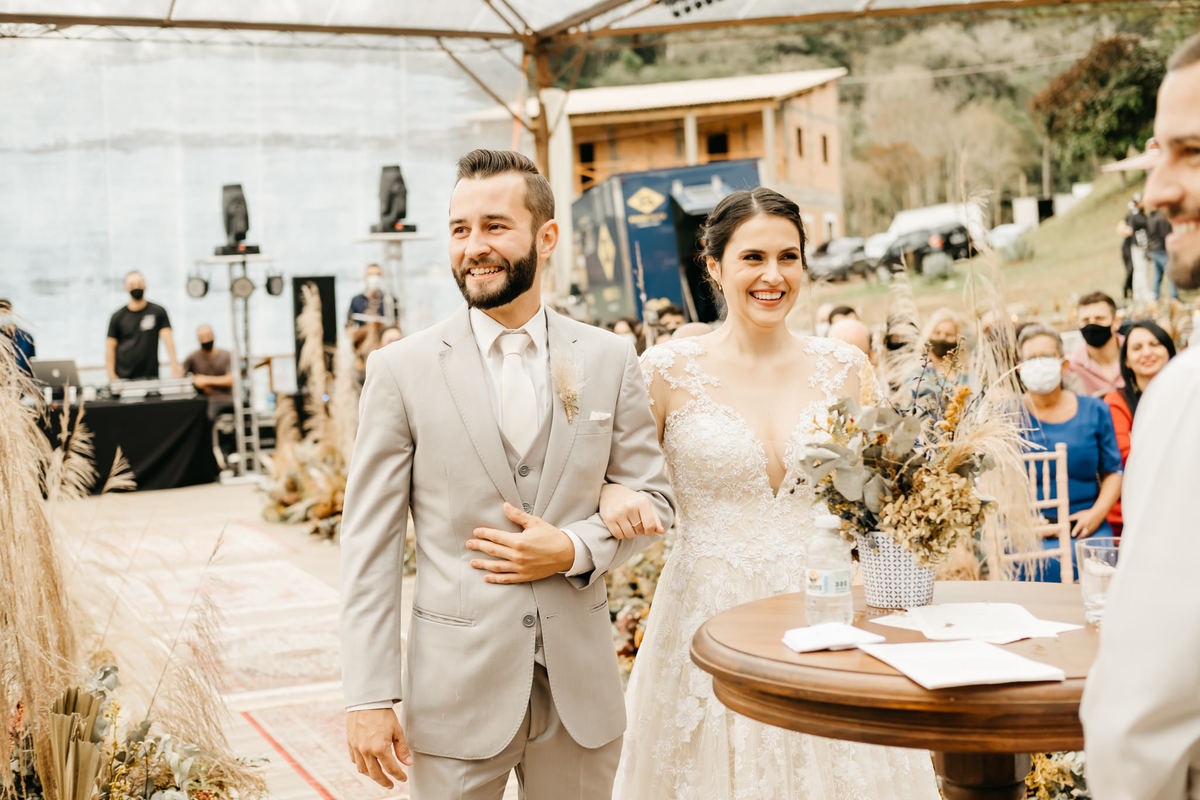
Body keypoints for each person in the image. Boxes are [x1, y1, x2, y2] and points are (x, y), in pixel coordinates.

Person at [339, 148, 675, 800]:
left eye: (495, 226)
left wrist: (575, 548)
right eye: (460, 229)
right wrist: (369, 695)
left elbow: (655, 501)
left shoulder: (608, 357)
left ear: (545, 237)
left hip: (580, 694)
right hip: (456, 692)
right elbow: (368, 548)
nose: (474, 247)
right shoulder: (400, 370)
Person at [610, 188, 939, 798]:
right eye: (753, 257)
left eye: (788, 257)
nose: (772, 275)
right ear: (714, 267)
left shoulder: (845, 367)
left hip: (827, 604)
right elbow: (616, 473)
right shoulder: (662, 369)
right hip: (704, 608)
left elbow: (882, 500)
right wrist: (611, 494)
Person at [1082, 35, 1200, 798]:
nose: (1156, 192)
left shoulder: (1189, 398)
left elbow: (1145, 716)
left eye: (1192, 152)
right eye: (1159, 152)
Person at [1016, 323, 1122, 582]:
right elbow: (989, 481)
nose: (1039, 364)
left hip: (1087, 526)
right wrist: (1022, 523)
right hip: (1027, 530)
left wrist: (1096, 514)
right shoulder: (1006, 416)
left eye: (1047, 357)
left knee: (1098, 570)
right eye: (1032, 359)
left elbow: (1114, 471)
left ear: (1063, 365)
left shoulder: (1094, 410)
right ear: (1020, 369)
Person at [1102, 321, 1175, 535]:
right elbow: (1126, 458)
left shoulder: (1187, 395)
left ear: (1169, 351)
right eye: (1137, 348)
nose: (1147, 352)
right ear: (1126, 360)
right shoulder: (1116, 402)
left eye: (1155, 344)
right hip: (1134, 509)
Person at [105, 270, 181, 381]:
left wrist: (174, 366)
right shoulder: (117, 317)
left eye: (139, 284)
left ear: (145, 285)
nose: (136, 287)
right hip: (124, 376)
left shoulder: (158, 312)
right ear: (126, 288)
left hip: (150, 376)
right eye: (132, 285)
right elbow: (110, 348)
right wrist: (111, 375)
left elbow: (168, 341)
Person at [1065, 291, 1124, 397]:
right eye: (1086, 320)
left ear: (1116, 322)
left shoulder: (1136, 353)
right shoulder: (1072, 367)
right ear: (1078, 324)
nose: (1092, 324)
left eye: (1099, 318)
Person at [181, 325, 234, 419]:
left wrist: (205, 380)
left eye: (207, 336)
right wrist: (194, 382)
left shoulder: (226, 355)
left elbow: (231, 380)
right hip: (203, 399)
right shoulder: (192, 358)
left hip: (226, 398)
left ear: (213, 335)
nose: (205, 340)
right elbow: (181, 378)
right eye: (202, 337)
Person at [346, 263, 399, 330]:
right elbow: (349, 327)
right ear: (365, 277)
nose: (374, 278)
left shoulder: (390, 300)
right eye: (370, 275)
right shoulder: (356, 300)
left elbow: (396, 326)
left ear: (382, 277)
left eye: (377, 274)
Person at [0, 298, 36, 377]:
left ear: (10, 312)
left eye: (4, 312)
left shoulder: (26, 338)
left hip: (24, 382)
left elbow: (33, 366)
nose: (2, 316)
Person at [1147, 209, 1177, 300]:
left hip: (1153, 250)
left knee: (1158, 275)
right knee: (1171, 273)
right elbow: (1166, 234)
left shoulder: (1149, 218)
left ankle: (1156, 295)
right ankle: (1174, 296)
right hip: (1161, 249)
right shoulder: (1161, 218)